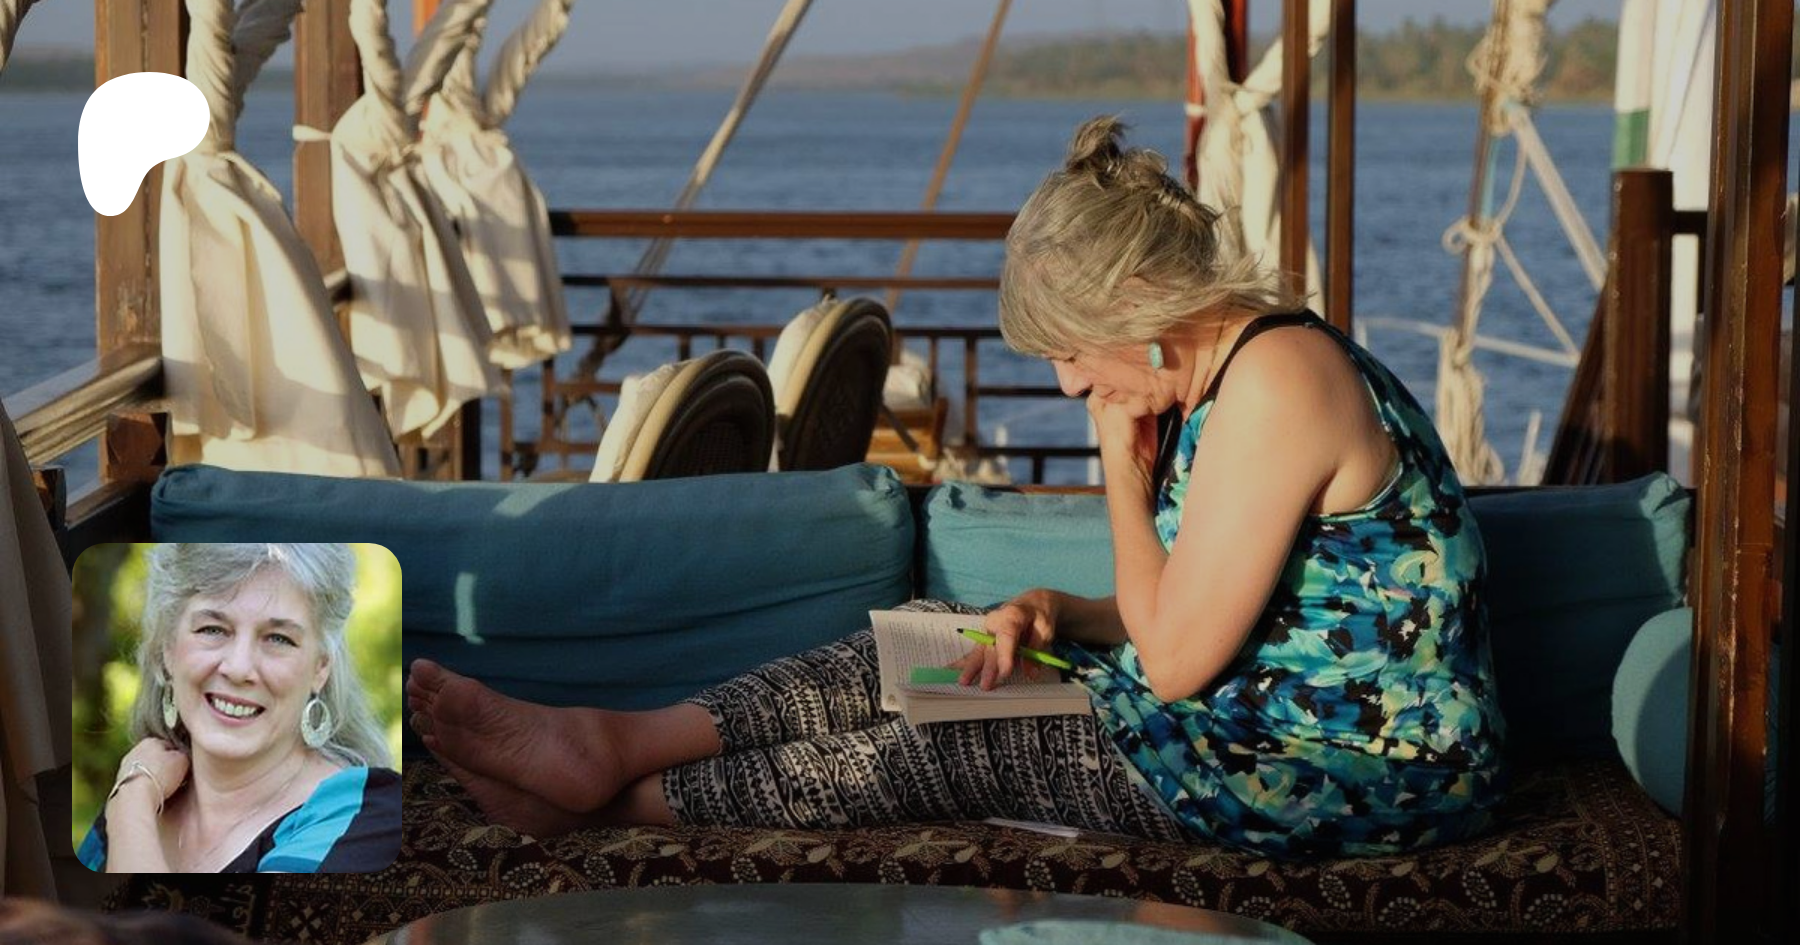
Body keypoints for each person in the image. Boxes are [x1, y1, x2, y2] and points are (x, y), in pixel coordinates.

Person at [407, 116, 1508, 858]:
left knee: (971, 735)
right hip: (1248, 720)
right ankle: (611, 744)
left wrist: (1118, 469)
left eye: (1070, 349)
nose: (1069, 382)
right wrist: (1053, 611)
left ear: (1137, 301)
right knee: (940, 641)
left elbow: (1175, 661)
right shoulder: (1223, 377)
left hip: (1350, 768)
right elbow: (1216, 609)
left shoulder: (1277, 380)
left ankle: (603, 808)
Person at [79, 544, 400, 873]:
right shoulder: (135, 807)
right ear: (167, 650)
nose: (238, 668)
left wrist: (131, 800)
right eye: (213, 629)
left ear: (320, 668)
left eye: (278, 638)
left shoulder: (368, 817)